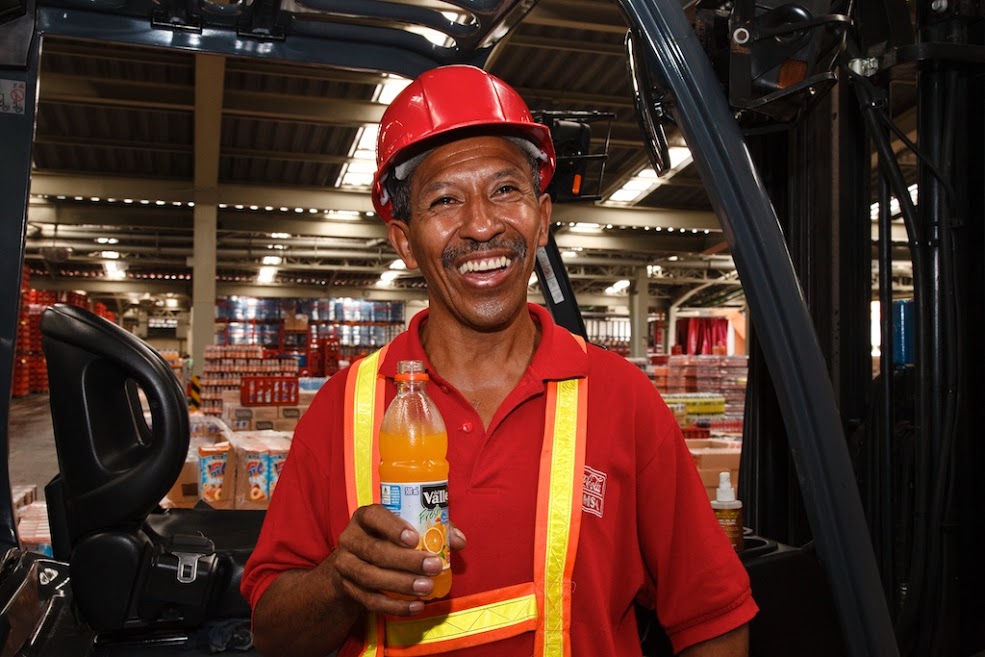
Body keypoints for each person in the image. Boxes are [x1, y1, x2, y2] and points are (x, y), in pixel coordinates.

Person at [241, 64, 758, 657]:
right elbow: (273, 635)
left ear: (542, 218)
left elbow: (712, 616)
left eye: (505, 190)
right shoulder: (343, 408)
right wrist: (340, 580)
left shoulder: (621, 398)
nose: (482, 225)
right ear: (405, 243)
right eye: (444, 200)